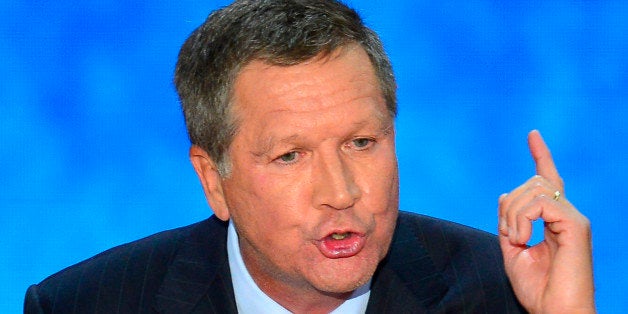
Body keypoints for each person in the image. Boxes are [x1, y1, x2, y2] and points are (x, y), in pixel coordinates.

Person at [24, 0, 595, 313]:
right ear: (213, 180)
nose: (341, 192)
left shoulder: (502, 294)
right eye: (291, 155)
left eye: (361, 143)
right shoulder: (85, 307)